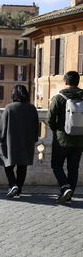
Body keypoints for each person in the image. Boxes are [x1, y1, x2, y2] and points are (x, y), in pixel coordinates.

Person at [0, 85, 39, 198]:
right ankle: (18, 190)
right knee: (22, 166)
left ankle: (13, 184)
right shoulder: (32, 108)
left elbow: (2, 126)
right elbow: (36, 127)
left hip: (11, 141)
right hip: (27, 141)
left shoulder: (9, 108)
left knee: (7, 162)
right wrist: (34, 139)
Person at [47, 71, 83, 203]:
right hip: (80, 139)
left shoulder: (59, 97)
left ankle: (64, 186)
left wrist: (57, 130)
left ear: (65, 82)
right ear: (78, 82)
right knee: (73, 168)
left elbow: (50, 118)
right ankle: (69, 195)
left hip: (62, 139)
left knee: (56, 165)